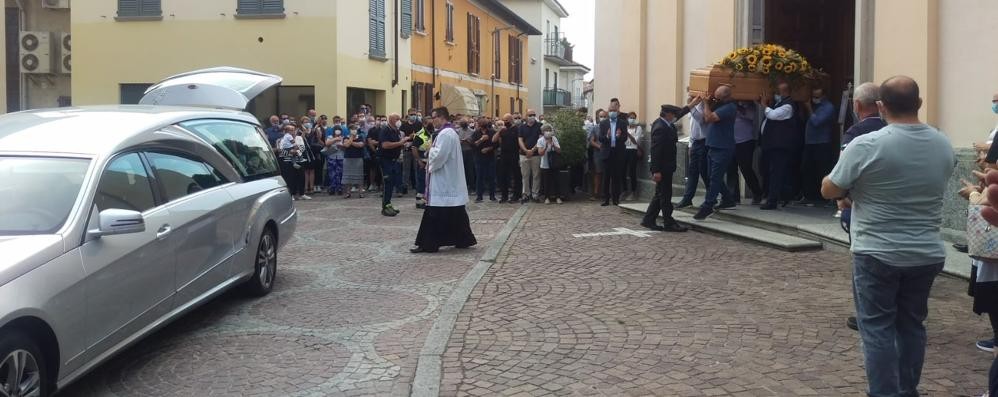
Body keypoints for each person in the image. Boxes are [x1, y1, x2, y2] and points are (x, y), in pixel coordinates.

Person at [821, 76, 954, 397]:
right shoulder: (942, 143)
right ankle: (908, 390)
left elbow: (829, 188)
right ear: (919, 104)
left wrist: (854, 188)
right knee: (911, 325)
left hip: (877, 250)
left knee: (877, 328)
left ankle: (883, 393)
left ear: (881, 107)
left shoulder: (867, 144)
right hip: (925, 251)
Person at [837, 81, 886, 332]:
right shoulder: (895, 129)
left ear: (857, 105)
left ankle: (868, 314)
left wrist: (841, 197)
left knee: (865, 267)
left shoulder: (856, 134)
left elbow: (842, 175)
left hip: (865, 209)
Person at [411, 106, 478, 253]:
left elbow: (440, 156)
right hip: (448, 178)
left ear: (442, 117)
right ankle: (463, 239)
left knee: (435, 212)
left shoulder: (446, 134)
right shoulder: (447, 132)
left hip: (444, 179)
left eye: (433, 117)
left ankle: (429, 243)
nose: (432, 120)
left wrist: (430, 150)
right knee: (455, 211)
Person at [642, 104, 691, 232]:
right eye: (673, 114)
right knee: (665, 196)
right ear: (668, 114)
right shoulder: (661, 127)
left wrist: (692, 105)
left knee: (660, 195)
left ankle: (648, 219)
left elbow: (680, 114)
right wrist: (656, 171)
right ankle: (669, 223)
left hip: (666, 167)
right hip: (662, 168)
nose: (675, 116)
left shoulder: (664, 123)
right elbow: (655, 151)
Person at [693, 86, 738, 220]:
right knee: (710, 176)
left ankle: (708, 205)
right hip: (713, 146)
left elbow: (709, 118)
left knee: (715, 178)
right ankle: (728, 199)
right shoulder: (720, 105)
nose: (715, 100)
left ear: (725, 97)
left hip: (723, 147)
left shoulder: (729, 108)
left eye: (717, 98)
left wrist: (706, 103)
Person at [759, 82, 800, 210]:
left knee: (776, 173)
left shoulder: (788, 106)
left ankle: (773, 201)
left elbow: (773, 115)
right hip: (772, 145)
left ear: (784, 92)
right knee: (770, 171)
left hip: (780, 146)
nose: (776, 93)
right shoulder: (778, 103)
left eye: (778, 91)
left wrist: (764, 105)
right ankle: (778, 196)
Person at [800, 87, 837, 206]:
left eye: (817, 97)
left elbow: (816, 122)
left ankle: (825, 197)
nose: (814, 99)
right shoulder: (815, 106)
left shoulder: (828, 107)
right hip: (810, 142)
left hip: (822, 143)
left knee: (822, 170)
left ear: (824, 96)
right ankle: (810, 196)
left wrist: (809, 108)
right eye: (813, 97)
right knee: (807, 169)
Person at [676, 95, 708, 209]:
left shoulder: (705, 105)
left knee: (705, 172)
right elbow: (692, 127)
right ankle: (687, 198)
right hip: (695, 143)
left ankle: (717, 197)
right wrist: (690, 145)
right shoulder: (693, 107)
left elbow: (701, 120)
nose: (689, 95)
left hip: (705, 142)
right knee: (692, 173)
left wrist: (691, 106)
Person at [598, 99, 630, 206]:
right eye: (610, 110)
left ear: (618, 112)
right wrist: (607, 136)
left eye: (614, 110)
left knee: (616, 177)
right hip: (607, 152)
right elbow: (600, 138)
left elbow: (625, 138)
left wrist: (619, 137)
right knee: (606, 177)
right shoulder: (603, 123)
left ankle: (615, 199)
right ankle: (606, 198)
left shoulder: (623, 123)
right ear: (608, 111)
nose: (612, 112)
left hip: (618, 153)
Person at [730, 101, 763, 205]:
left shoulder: (750, 105)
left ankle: (757, 193)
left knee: (746, 169)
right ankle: (733, 196)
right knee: (731, 169)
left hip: (745, 141)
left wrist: (738, 107)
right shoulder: (730, 105)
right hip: (731, 142)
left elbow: (751, 116)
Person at [378, 114, 408, 216]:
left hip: (394, 160)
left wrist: (404, 143)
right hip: (385, 160)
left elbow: (398, 143)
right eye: (397, 119)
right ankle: (385, 207)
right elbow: (385, 145)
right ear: (391, 120)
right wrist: (400, 143)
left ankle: (389, 204)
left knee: (392, 182)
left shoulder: (396, 130)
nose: (399, 121)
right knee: (387, 182)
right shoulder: (385, 130)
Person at [494, 114, 522, 203]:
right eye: (504, 120)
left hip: (514, 154)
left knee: (516, 176)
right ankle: (504, 196)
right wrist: (499, 131)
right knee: (503, 176)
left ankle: (516, 195)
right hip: (504, 155)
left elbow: (520, 142)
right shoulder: (503, 130)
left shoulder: (517, 129)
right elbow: (494, 140)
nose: (505, 122)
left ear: (511, 120)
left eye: (506, 120)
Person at [518, 109, 544, 203]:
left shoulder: (540, 126)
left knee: (536, 175)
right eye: (530, 115)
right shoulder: (522, 127)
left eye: (533, 115)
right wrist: (526, 150)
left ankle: (535, 194)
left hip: (536, 154)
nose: (531, 117)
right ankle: (526, 194)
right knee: (525, 175)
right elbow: (520, 140)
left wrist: (532, 150)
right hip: (523, 155)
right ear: (526, 116)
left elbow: (540, 139)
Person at [278, 124, 308, 200]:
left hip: (299, 160)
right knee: (291, 178)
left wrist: (295, 152)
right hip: (288, 161)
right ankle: (291, 194)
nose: (293, 131)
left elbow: (302, 148)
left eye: (294, 130)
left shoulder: (299, 138)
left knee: (301, 177)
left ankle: (302, 194)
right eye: (291, 130)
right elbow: (281, 151)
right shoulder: (283, 139)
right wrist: (291, 153)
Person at [537, 124, 563, 204]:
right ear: (543, 132)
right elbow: (540, 153)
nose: (548, 132)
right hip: (544, 164)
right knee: (546, 182)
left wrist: (553, 144)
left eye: (549, 130)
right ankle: (546, 197)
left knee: (556, 181)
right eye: (546, 131)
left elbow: (559, 151)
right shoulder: (540, 140)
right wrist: (546, 146)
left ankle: (558, 197)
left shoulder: (554, 139)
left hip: (554, 163)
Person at [473, 118, 497, 202]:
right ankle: (479, 196)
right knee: (479, 177)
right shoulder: (476, 133)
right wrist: (481, 139)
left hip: (490, 157)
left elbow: (496, 145)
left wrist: (488, 148)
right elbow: (473, 145)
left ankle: (492, 195)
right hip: (479, 158)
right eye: (481, 124)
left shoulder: (492, 132)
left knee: (492, 177)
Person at [412, 118, 434, 208]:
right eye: (430, 122)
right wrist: (419, 161)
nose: (432, 123)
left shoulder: (433, 133)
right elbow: (414, 149)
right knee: (421, 181)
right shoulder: (419, 135)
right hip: (422, 162)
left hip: (431, 162)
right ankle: (419, 202)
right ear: (424, 124)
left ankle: (427, 200)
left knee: (429, 182)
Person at [342, 123, 367, 198]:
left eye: (355, 129)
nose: (354, 130)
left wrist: (350, 142)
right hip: (348, 159)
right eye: (352, 129)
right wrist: (351, 138)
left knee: (359, 176)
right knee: (348, 176)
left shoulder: (361, 137)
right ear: (349, 130)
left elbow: (360, 145)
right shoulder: (345, 137)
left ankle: (360, 192)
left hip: (358, 158)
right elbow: (346, 145)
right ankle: (348, 192)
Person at [623, 111, 644, 201]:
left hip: (633, 150)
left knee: (632, 172)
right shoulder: (625, 127)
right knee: (622, 171)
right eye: (630, 117)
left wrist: (628, 135)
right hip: (624, 150)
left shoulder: (638, 128)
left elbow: (636, 141)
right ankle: (624, 190)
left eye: (634, 118)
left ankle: (633, 192)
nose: (632, 119)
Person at [587, 109, 607, 201]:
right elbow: (591, 141)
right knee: (598, 173)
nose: (603, 118)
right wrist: (599, 147)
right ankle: (595, 193)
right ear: (598, 118)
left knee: (607, 173)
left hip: (608, 153)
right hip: (598, 153)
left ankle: (605, 193)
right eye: (601, 116)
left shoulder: (610, 127)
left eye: (604, 116)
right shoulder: (595, 128)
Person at [324, 123, 346, 196]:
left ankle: (340, 188)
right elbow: (327, 143)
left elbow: (346, 147)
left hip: (341, 157)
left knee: (340, 173)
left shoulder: (343, 137)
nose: (337, 131)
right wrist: (335, 139)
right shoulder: (330, 137)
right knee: (332, 173)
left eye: (339, 130)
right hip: (332, 157)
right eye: (336, 130)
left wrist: (341, 146)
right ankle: (332, 188)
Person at [458, 117, 477, 192]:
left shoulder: (472, 131)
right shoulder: (458, 131)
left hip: (470, 152)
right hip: (461, 151)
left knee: (470, 170)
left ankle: (471, 186)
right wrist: (460, 142)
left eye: (464, 123)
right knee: (462, 170)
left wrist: (468, 141)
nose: (463, 124)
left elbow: (474, 142)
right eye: (462, 123)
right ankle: (463, 186)